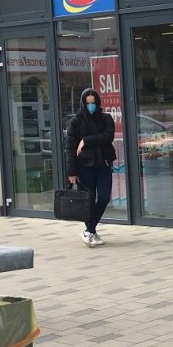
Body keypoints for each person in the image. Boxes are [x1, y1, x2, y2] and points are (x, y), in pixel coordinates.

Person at [65, 88, 116, 247]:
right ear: (83, 104)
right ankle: (91, 232)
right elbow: (70, 149)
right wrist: (72, 172)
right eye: (88, 103)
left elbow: (108, 137)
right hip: (85, 167)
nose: (91, 106)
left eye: (93, 103)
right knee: (89, 201)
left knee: (104, 197)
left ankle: (89, 230)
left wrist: (86, 141)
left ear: (97, 103)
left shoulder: (106, 118)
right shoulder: (76, 122)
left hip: (103, 165)